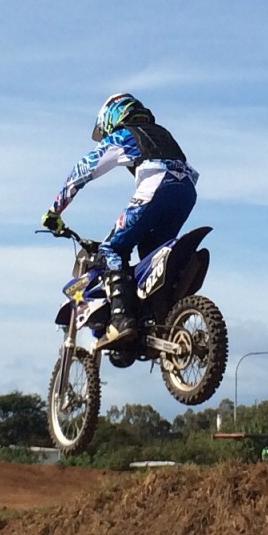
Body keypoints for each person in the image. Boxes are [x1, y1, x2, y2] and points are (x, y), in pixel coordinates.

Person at [42, 93, 199, 349]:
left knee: (111, 248)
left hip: (157, 185)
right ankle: (159, 315)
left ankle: (121, 319)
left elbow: (84, 169)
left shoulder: (124, 135)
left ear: (111, 118)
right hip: (186, 191)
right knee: (151, 251)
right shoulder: (162, 134)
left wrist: (54, 211)